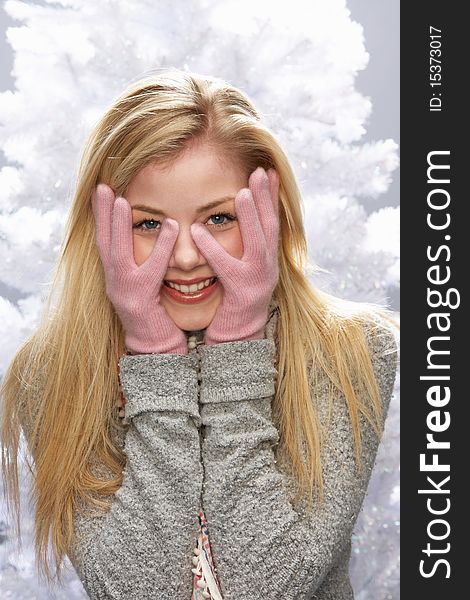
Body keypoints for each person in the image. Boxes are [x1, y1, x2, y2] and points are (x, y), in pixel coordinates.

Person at [1, 68, 398, 599]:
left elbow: (273, 587)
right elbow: (135, 592)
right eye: (148, 225)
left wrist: (237, 346)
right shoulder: (52, 376)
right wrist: (155, 356)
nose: (186, 257)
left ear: (269, 214)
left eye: (218, 219)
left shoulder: (349, 350)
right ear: (102, 232)